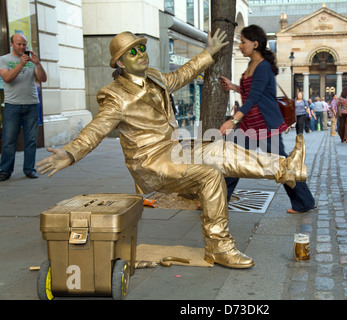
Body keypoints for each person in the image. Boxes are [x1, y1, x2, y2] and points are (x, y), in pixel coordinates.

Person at [36, 30, 308, 269]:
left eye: (141, 47)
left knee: (220, 149)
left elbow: (183, 73)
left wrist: (209, 52)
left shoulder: (154, 77)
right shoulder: (114, 95)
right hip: (151, 163)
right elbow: (96, 129)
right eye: (133, 52)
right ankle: (220, 248)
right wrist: (70, 153)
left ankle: (287, 168)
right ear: (120, 62)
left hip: (173, 148)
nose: (141, 54)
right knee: (210, 175)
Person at [218, 25, 315, 215]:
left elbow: (254, 97)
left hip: (264, 126)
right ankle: (219, 200)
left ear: (255, 44)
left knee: (281, 165)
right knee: (233, 161)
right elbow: (251, 92)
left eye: (243, 42)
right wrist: (234, 87)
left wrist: (232, 121)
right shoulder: (251, 65)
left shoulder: (262, 66)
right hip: (249, 126)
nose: (240, 46)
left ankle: (305, 201)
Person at [0, 34, 47, 181]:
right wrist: (21, 64)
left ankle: (29, 169)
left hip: (32, 104)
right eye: (19, 44)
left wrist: (37, 64)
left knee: (31, 139)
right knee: (9, 140)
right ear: (12, 44)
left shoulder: (31, 60)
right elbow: (7, 78)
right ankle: (5, 171)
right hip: (13, 105)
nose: (22, 47)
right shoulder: (4, 60)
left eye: (24, 44)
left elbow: (43, 79)